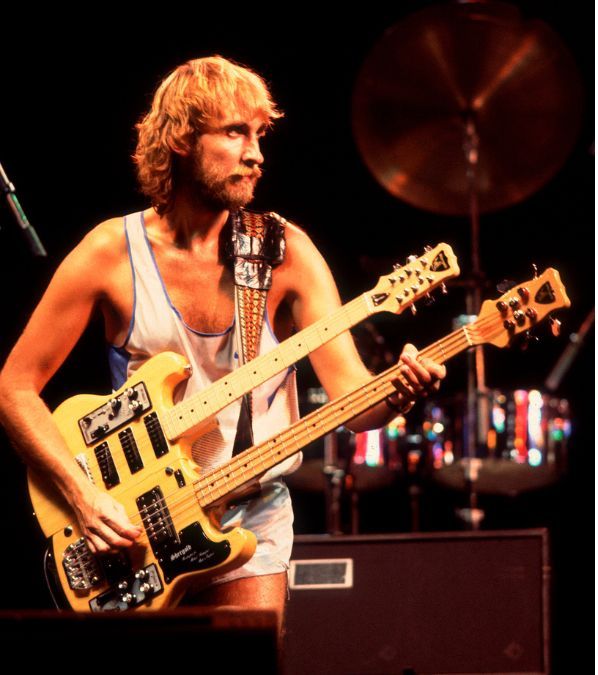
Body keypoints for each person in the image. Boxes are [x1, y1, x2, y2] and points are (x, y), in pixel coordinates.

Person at [0, 56, 444, 630]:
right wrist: (84, 498)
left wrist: (398, 393)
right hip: (136, 520)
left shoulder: (285, 253)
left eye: (259, 135)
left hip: (250, 512)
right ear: (182, 137)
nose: (256, 153)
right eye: (235, 132)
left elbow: (353, 398)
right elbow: (15, 387)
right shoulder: (111, 253)